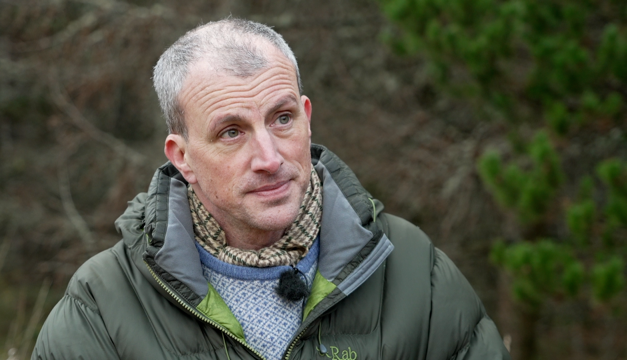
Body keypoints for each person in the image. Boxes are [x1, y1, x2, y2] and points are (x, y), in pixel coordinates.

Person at [33, 18, 511, 360]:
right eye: (232, 132)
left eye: (282, 119)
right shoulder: (102, 305)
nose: (269, 158)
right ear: (182, 157)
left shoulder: (414, 271)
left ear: (307, 117)